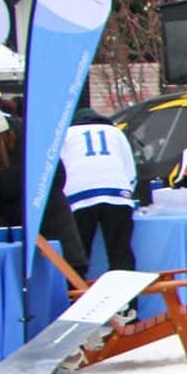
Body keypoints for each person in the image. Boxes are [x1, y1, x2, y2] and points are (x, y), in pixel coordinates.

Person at [0, 102, 90, 275]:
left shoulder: (32, 147)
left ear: (4, 134)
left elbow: (57, 178)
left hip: (50, 219)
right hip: (12, 230)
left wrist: (35, 209)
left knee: (66, 274)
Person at [62, 107, 139, 274]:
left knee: (79, 255)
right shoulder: (115, 132)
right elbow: (130, 169)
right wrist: (128, 192)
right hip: (117, 194)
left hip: (79, 196)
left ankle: (78, 295)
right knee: (120, 253)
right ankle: (126, 298)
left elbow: (60, 170)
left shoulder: (67, 134)